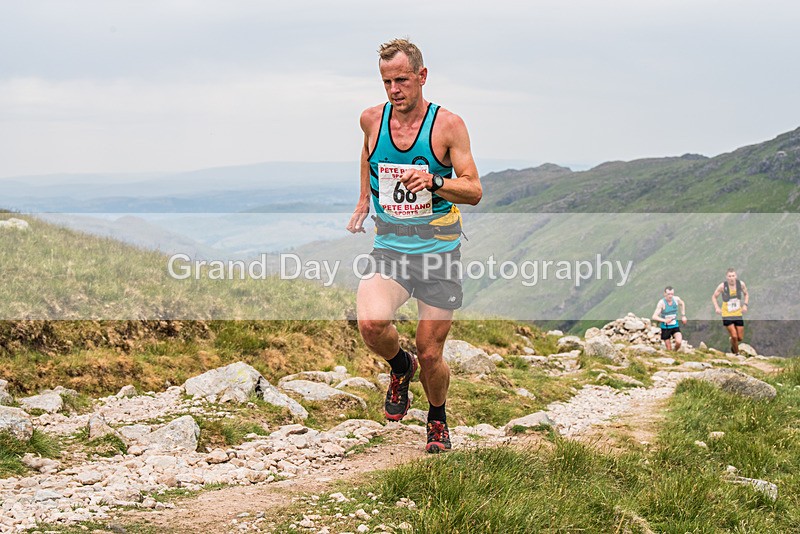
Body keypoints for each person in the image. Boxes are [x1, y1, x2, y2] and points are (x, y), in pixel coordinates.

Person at [346, 38, 482, 453]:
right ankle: (398, 367)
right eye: (387, 81)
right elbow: (368, 157)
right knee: (370, 325)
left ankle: (436, 418)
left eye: (401, 80)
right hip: (391, 249)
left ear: (422, 77)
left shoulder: (448, 125)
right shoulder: (372, 119)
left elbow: (474, 190)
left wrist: (436, 181)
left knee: (431, 352)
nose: (394, 90)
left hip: (439, 255)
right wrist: (364, 200)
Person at [711, 268, 750, 354]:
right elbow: (714, 297)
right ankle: (737, 354)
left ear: (736, 276)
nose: (731, 278)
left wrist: (745, 305)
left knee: (740, 338)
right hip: (726, 314)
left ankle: (732, 341)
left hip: (737, 313)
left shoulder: (741, 284)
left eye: (733, 276)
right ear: (726, 277)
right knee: (734, 336)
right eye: (729, 276)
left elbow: (746, 294)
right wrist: (717, 307)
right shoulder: (722, 286)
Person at [652, 286, 687, 351]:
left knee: (679, 342)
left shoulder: (676, 299)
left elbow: (682, 303)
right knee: (669, 348)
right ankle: (671, 354)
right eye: (668, 294)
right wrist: (665, 320)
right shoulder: (662, 303)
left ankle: (675, 352)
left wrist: (683, 315)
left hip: (674, 325)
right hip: (665, 327)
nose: (670, 296)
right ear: (664, 294)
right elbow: (654, 316)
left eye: (672, 294)